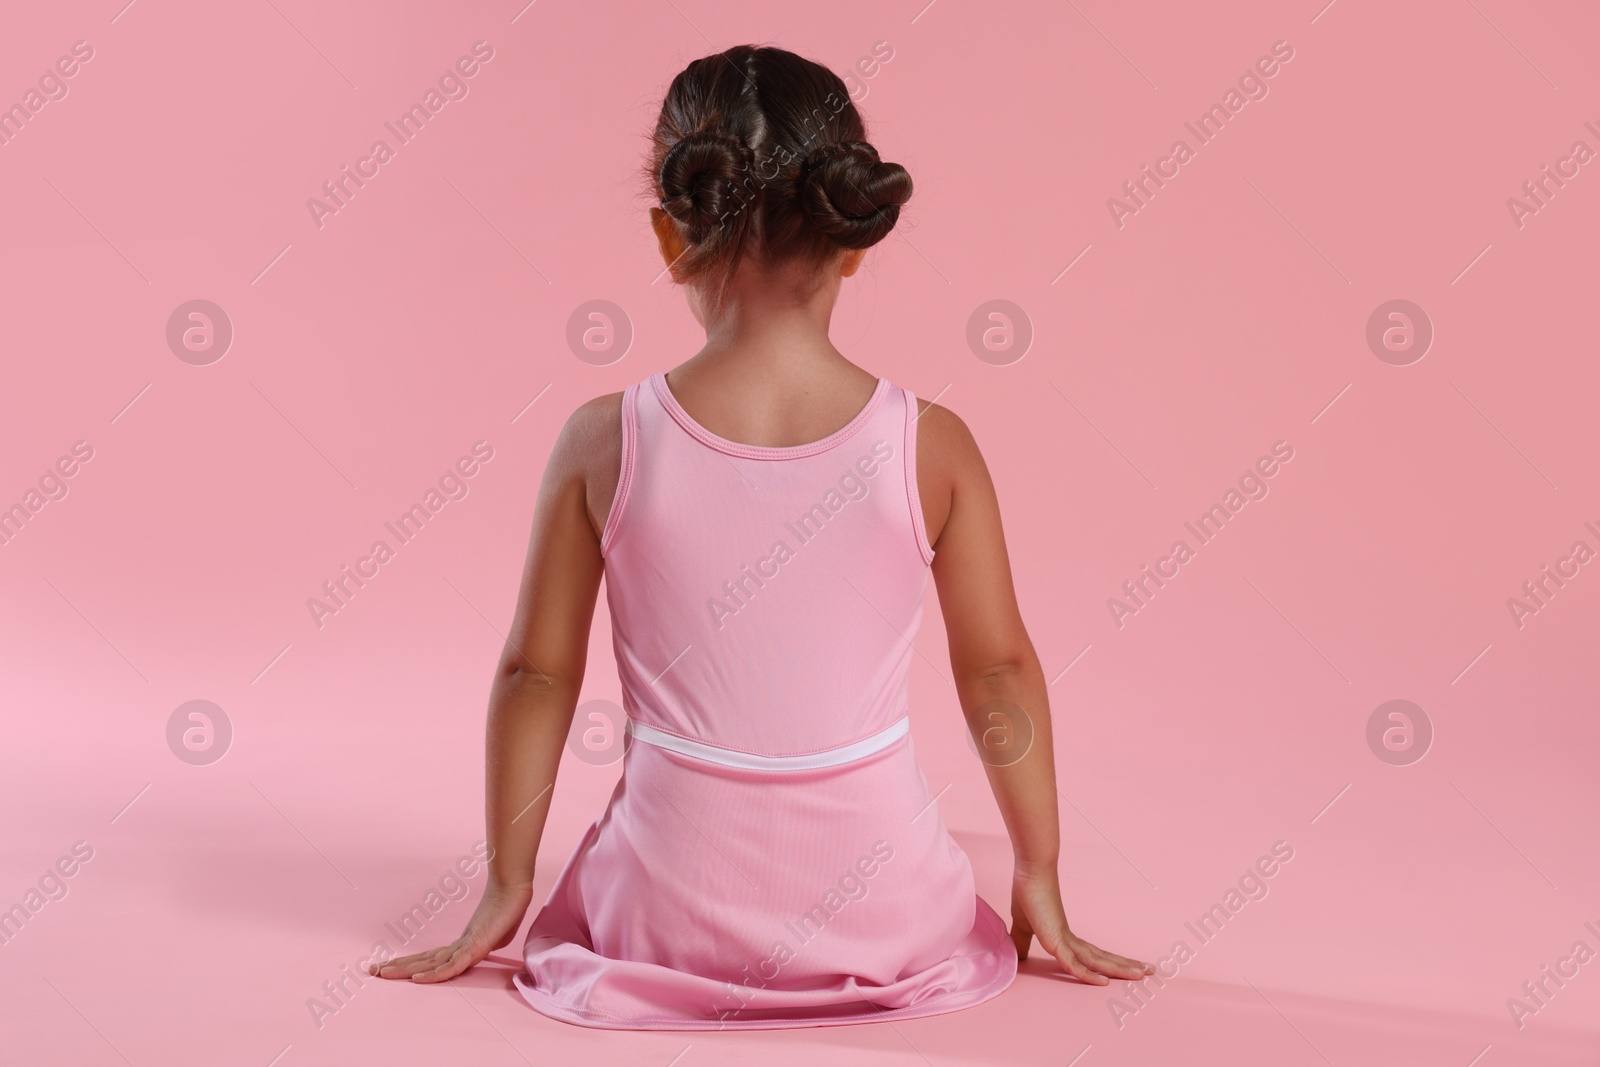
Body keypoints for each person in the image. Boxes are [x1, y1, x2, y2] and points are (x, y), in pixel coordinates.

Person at [371, 43, 1152, 1029]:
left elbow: (536, 674)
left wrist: (505, 882)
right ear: (855, 234)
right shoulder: (931, 447)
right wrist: (1036, 867)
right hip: (885, 918)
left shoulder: (602, 440)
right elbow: (996, 671)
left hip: (658, 919)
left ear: (669, 235)